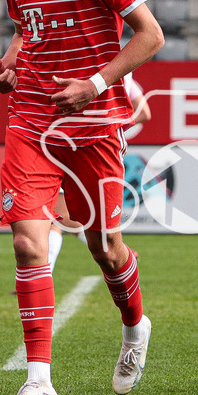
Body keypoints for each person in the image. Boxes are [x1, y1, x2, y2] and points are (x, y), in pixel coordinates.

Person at [0, 0, 164, 395]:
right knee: (27, 244)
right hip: (32, 121)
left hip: (93, 126)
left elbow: (151, 36)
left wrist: (95, 84)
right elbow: (26, 29)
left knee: (105, 249)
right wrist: (9, 66)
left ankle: (135, 326)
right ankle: (39, 383)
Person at [47, 71, 152, 275]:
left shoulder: (105, 74)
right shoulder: (115, 72)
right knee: (57, 219)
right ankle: (40, 278)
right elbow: (144, 112)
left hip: (78, 148)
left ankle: (119, 253)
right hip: (87, 148)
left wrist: (107, 126)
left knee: (56, 216)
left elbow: (144, 112)